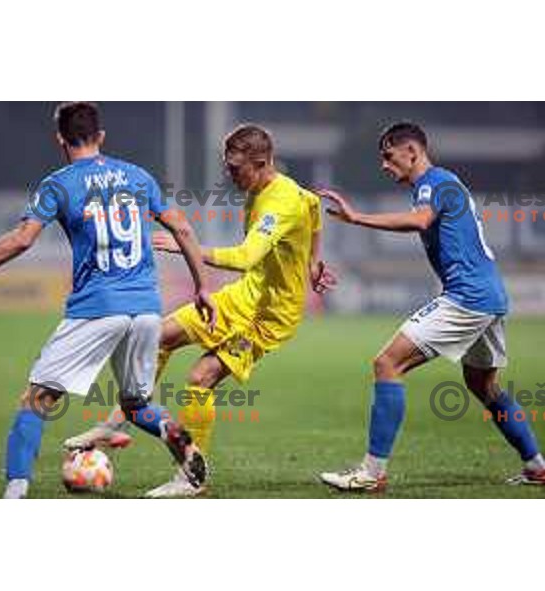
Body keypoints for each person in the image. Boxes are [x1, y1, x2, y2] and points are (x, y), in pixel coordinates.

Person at [0, 101, 216, 498]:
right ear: (100, 137)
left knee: (37, 398)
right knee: (136, 403)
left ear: (60, 140)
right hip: (145, 306)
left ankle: (15, 492)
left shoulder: (59, 183)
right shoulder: (137, 176)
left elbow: (22, 239)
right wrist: (202, 286)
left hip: (97, 306)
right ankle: (187, 453)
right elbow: (183, 230)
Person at [65, 123, 336, 497]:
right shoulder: (280, 190)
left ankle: (191, 479)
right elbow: (314, 206)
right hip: (244, 296)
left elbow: (244, 257)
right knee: (156, 337)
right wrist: (313, 261)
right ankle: (119, 422)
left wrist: (187, 248)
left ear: (260, 162)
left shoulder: (280, 202)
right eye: (227, 165)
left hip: (270, 317)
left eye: (236, 167)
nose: (229, 173)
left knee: (201, 376)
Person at [319, 122, 545, 492]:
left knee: (387, 363)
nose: (384, 165)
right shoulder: (440, 183)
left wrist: (357, 217)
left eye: (389, 156)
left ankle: (371, 473)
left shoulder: (432, 183)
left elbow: (420, 221)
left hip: (467, 296)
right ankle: (537, 466)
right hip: (489, 295)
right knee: (484, 386)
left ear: (413, 152)